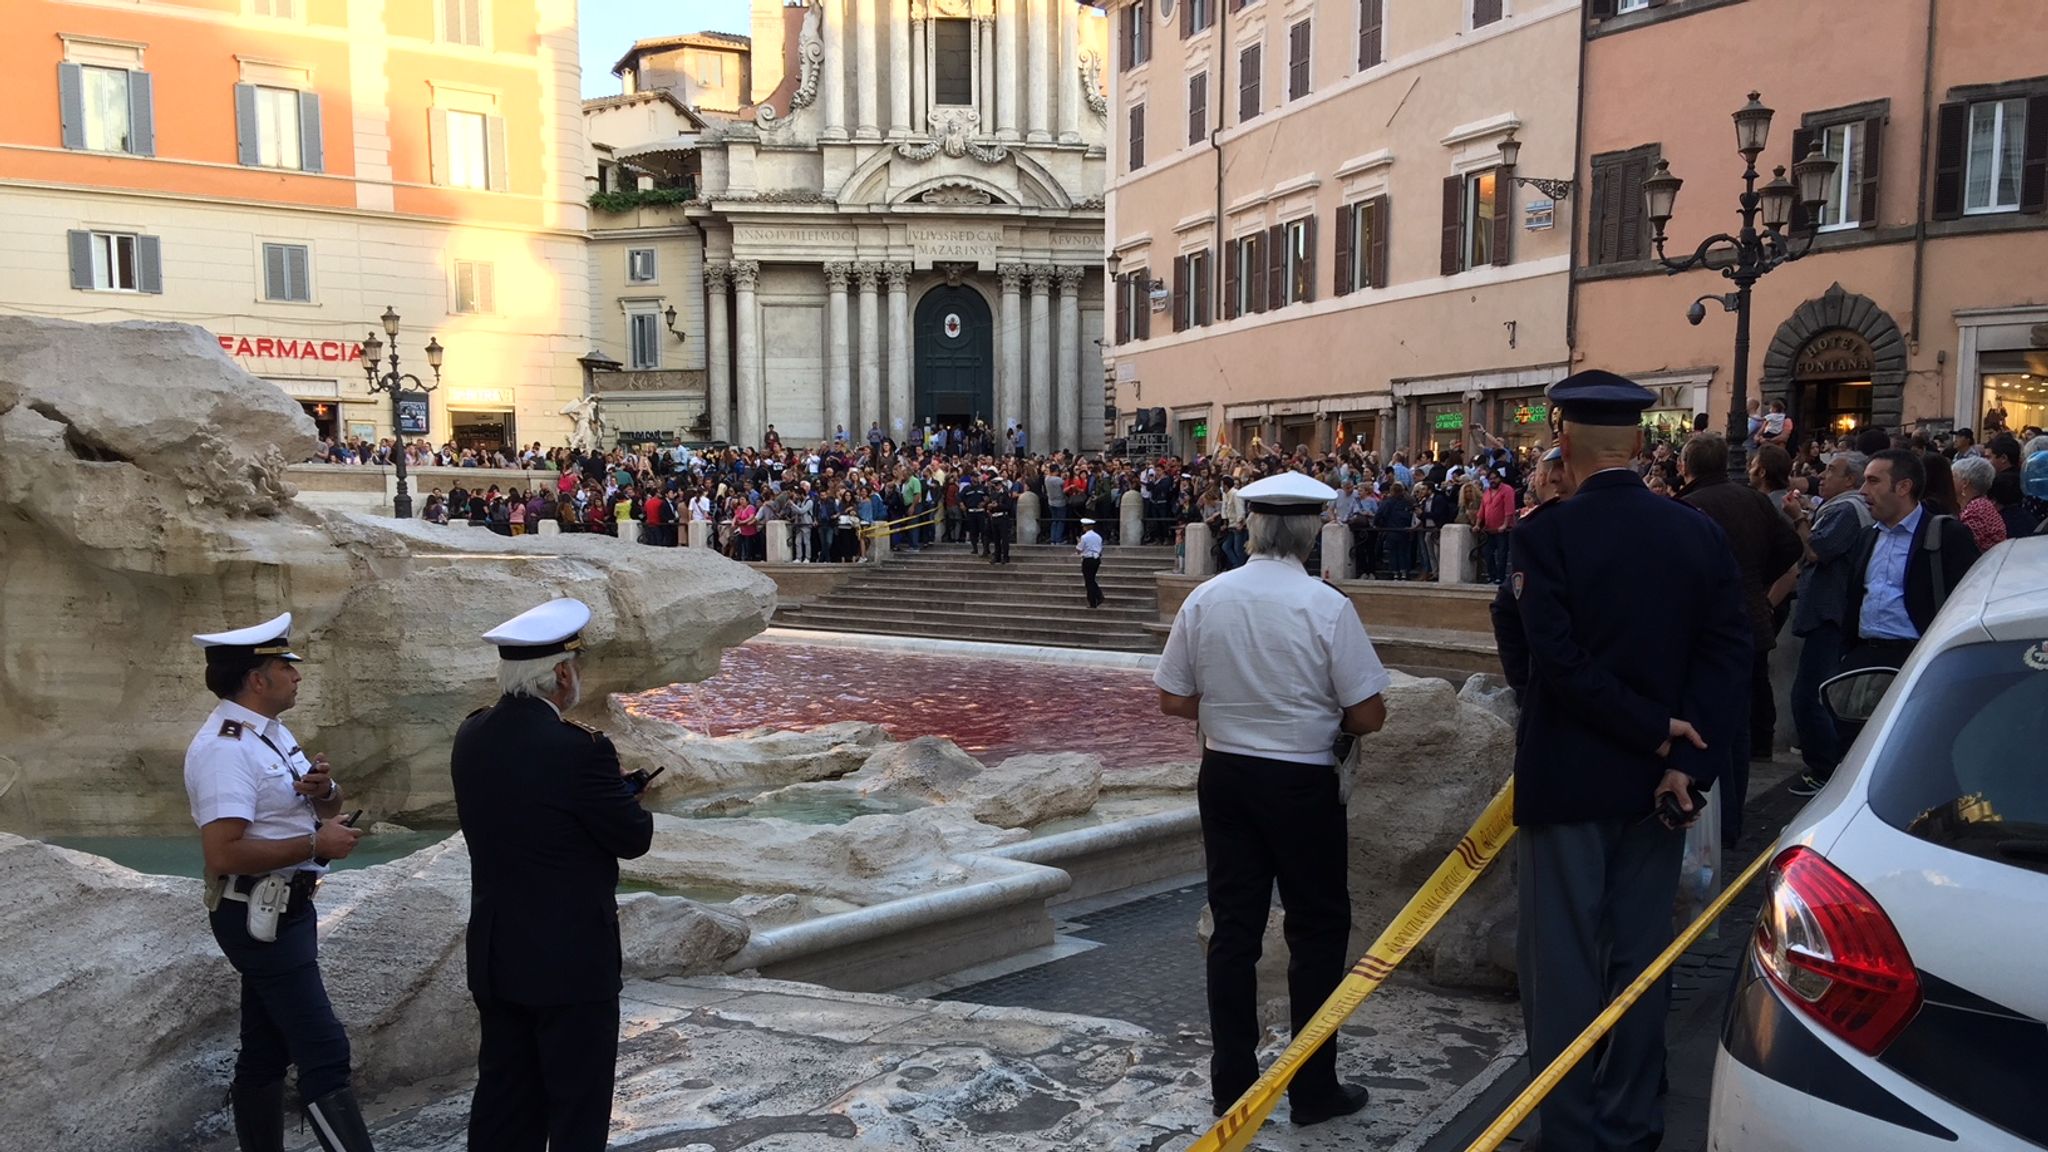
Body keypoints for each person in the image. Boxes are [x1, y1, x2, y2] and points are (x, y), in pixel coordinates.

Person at [1508, 371, 1750, 1152]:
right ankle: (1633, 1119)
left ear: (1564, 442)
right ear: (1642, 444)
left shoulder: (1543, 535)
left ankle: (1571, 1129)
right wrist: (1685, 757)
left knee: (1564, 970)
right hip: (1664, 788)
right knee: (1643, 959)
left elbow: (1556, 662)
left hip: (1573, 778)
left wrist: (1652, 730)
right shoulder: (1695, 532)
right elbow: (1727, 651)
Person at [1154, 471, 1391, 1127]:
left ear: (1249, 526)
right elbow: (1369, 715)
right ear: (1314, 531)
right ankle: (1314, 1089)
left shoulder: (1207, 598)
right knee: (1316, 931)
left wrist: (1237, 709)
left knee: (1234, 931)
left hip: (1226, 772)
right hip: (1302, 781)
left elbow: (1173, 699)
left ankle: (1232, 1084)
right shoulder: (1326, 606)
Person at [452, 598, 656, 1152]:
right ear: (561, 673)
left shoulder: (471, 735)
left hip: (497, 953)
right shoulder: (580, 751)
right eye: (575, 666)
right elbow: (632, 838)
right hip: (570, 961)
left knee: (503, 1103)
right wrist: (621, 793)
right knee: (576, 1110)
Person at [184, 612, 375, 1152]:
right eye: (285, 666)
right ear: (256, 679)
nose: (297, 675)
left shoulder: (268, 734)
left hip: (284, 910)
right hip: (255, 914)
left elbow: (323, 802)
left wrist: (324, 790)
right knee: (324, 1050)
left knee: (266, 1048)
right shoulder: (224, 749)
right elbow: (222, 853)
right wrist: (316, 845)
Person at [1677, 432, 1802, 847]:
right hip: (1752, 619)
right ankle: (1733, 818)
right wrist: (1758, 582)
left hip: (1709, 628)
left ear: (1686, 467)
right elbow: (1789, 547)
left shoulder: (1687, 507)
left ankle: (1718, 821)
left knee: (1709, 722)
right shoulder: (1753, 500)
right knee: (1740, 724)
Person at [1841, 449, 1982, 676]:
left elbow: (1969, 600)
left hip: (1919, 660)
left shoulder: (1946, 535)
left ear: (1903, 487)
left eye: (1873, 481)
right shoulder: (1867, 537)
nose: (1863, 491)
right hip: (1864, 657)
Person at [1785, 453, 1872, 798]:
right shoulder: (1844, 508)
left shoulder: (1846, 510)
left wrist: (1797, 519)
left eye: (1832, 471)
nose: (1823, 476)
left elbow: (1817, 550)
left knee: (1810, 696)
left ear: (1850, 479)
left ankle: (1824, 770)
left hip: (1829, 613)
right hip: (1834, 612)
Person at [1076, 517, 1105, 607]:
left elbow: (1079, 549)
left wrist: (1078, 543)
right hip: (1096, 558)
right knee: (1091, 579)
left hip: (1088, 559)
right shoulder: (1098, 536)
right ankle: (1097, 597)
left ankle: (1095, 599)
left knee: (1089, 581)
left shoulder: (1084, 537)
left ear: (1085, 527)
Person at [987, 477, 1015, 565]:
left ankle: (1005, 556)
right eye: (995, 485)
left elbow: (1008, 506)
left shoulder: (1006, 494)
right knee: (996, 539)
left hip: (1003, 517)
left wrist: (998, 505)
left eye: (998, 484)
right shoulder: (993, 494)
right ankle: (997, 556)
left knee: (1004, 538)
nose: (996, 487)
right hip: (995, 517)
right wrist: (990, 508)